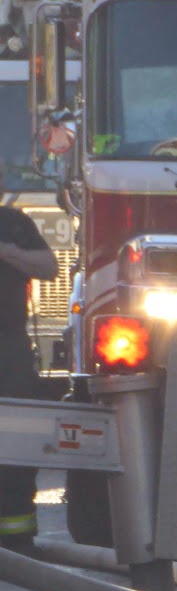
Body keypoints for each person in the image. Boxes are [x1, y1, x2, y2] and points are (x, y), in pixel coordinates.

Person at [0, 162, 59, 553]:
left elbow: (50, 267)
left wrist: (7, 251)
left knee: (16, 442)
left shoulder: (14, 223)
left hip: (9, 349)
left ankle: (16, 537)